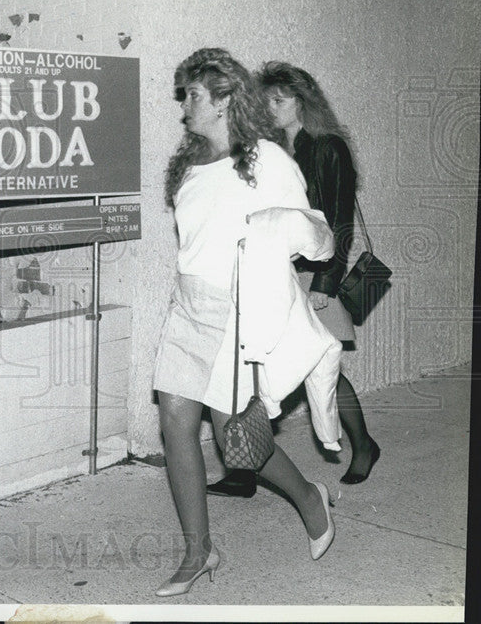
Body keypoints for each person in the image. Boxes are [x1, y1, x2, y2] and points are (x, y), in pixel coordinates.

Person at [153, 49, 335, 598]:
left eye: (193, 94)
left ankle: (308, 496)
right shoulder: (188, 164)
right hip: (187, 307)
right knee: (175, 424)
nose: (184, 105)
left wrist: (281, 231)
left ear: (224, 98)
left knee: (240, 441)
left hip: (236, 314)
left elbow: (314, 237)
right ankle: (197, 551)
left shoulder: (268, 160)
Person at [207, 62, 380, 500]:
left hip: (316, 273)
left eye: (279, 100)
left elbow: (339, 221)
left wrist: (326, 282)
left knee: (323, 366)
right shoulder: (268, 149)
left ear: (303, 102)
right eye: (266, 100)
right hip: (275, 271)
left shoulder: (328, 148)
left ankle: (363, 446)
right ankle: (244, 470)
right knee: (254, 365)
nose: (271, 107)